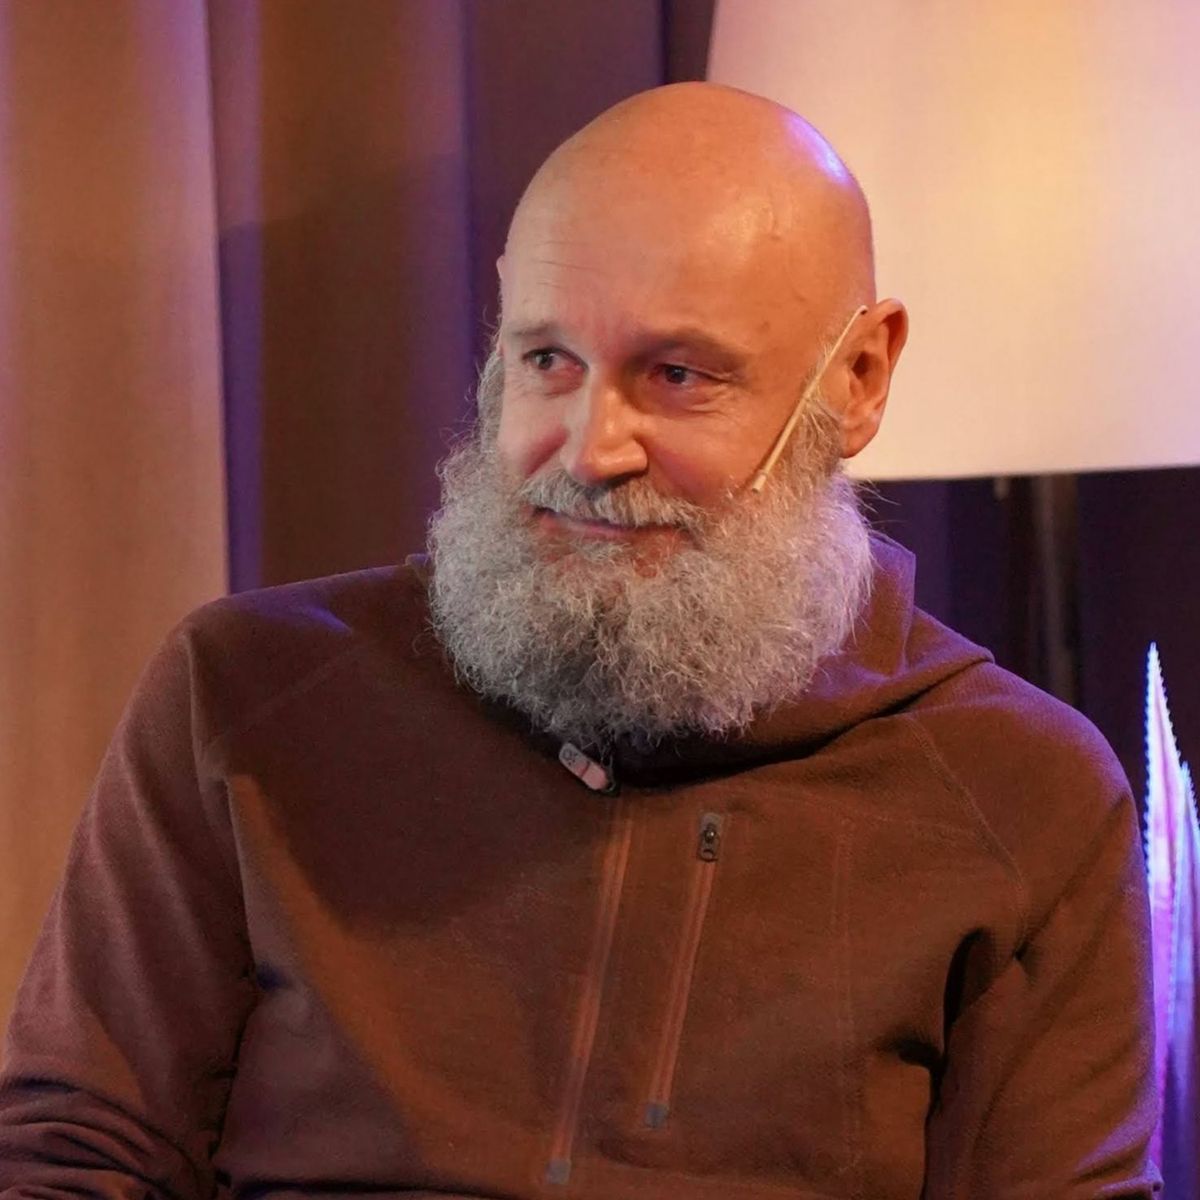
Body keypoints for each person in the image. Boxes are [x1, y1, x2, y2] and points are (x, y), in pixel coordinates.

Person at [0, 83, 1158, 1199]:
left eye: (679, 375)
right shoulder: (245, 695)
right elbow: (76, 1154)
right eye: (548, 360)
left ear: (856, 380)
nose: (591, 449)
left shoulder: (1023, 793)